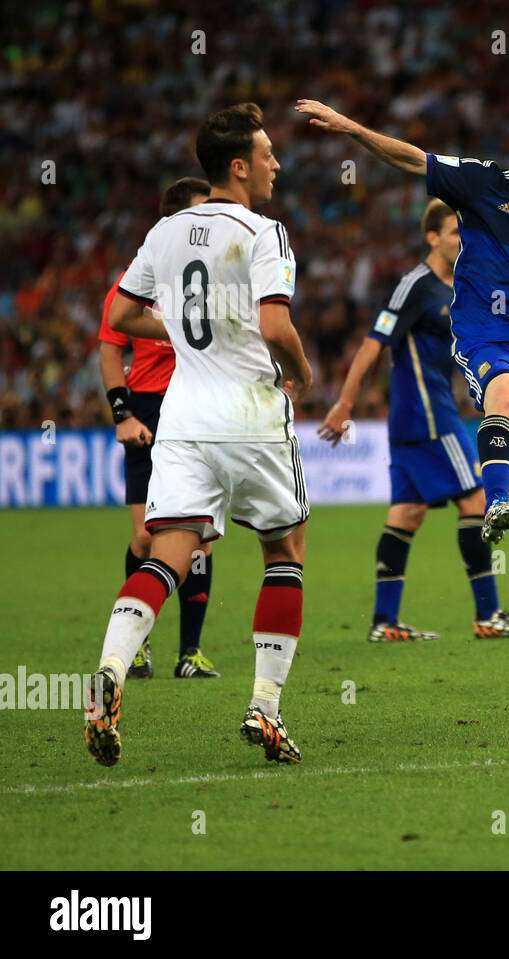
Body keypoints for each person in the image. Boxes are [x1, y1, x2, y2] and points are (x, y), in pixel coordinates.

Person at [296, 98, 509, 607]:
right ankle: (498, 500)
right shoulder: (485, 182)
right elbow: (412, 159)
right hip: (485, 334)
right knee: (505, 394)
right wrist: (349, 125)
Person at [85, 103, 313, 767]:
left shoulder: (165, 233)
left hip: (182, 421)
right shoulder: (264, 232)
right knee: (285, 550)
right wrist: (301, 370)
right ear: (238, 166)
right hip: (250, 415)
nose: (276, 162)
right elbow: (274, 330)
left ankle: (110, 670)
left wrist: (187, 332)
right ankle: (265, 709)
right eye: (268, 152)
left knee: (167, 554)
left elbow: (125, 313)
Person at [319, 199, 509, 641]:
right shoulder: (415, 285)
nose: (462, 239)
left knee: (407, 513)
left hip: (414, 418)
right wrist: (344, 404)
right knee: (477, 500)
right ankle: (489, 615)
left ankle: (384, 622)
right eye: (454, 232)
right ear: (432, 238)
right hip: (427, 416)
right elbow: (373, 343)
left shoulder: (459, 288)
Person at [99, 176, 221, 680]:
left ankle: (189, 653)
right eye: (200, 213)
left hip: (197, 406)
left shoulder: (210, 275)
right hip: (148, 410)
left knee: (201, 537)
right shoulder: (138, 276)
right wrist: (122, 414)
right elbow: (110, 349)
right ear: (173, 220)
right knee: (147, 538)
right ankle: (139, 643)